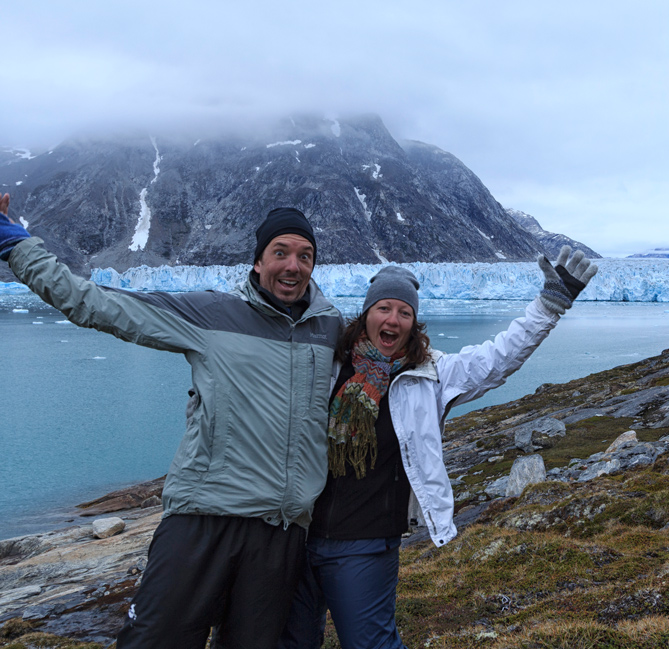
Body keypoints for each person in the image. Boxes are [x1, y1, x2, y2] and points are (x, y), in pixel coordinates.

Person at [0, 193, 344, 649]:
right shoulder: (210, 314)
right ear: (258, 263)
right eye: (280, 252)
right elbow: (93, 303)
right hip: (202, 518)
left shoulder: (332, 330)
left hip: (278, 533)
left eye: (305, 256)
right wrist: (14, 243)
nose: (293, 266)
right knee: (154, 640)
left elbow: (397, 361)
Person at [277, 246, 598, 649]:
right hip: (297, 534)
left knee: (370, 644)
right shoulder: (330, 364)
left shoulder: (431, 374)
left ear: (413, 323)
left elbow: (496, 359)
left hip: (366, 543)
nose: (392, 319)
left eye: (404, 312)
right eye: (384, 309)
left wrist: (549, 306)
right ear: (366, 314)